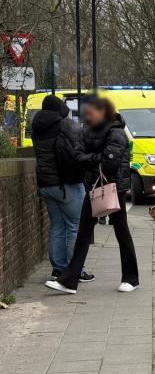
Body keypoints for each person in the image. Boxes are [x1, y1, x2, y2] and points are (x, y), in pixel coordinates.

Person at [45, 97, 139, 294]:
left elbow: (110, 163)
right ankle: (69, 280)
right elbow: (77, 155)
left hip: (113, 188)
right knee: (83, 233)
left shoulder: (116, 132)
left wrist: (93, 160)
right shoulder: (88, 131)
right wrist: (97, 159)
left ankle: (131, 278)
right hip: (94, 187)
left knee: (121, 231)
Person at [32, 95, 93, 282]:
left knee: (57, 226)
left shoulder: (37, 128)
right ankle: (75, 270)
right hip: (67, 184)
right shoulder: (64, 124)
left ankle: (58, 269)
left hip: (46, 184)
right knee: (74, 227)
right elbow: (82, 143)